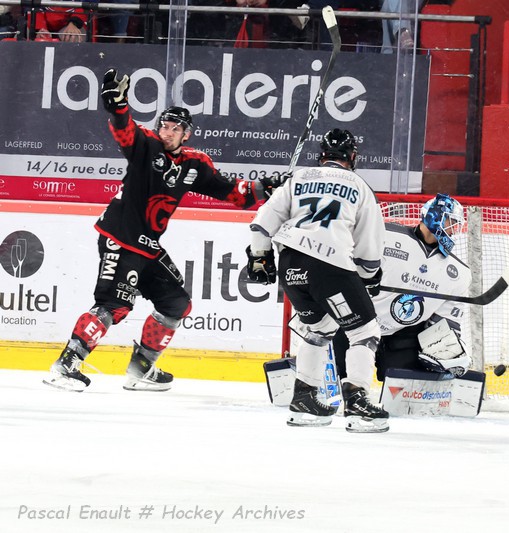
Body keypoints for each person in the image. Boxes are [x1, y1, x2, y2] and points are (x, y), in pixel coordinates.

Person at [44, 68, 282, 393]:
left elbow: (233, 193)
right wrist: (117, 106)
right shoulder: (147, 146)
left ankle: (141, 368)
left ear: (187, 134)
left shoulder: (194, 164)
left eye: (175, 128)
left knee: (176, 303)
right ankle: (66, 365)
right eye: (164, 126)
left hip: (147, 246)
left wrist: (266, 187)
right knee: (115, 305)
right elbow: (124, 130)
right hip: (120, 237)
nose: (167, 132)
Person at [247, 128, 389, 433]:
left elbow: (261, 224)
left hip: (291, 265)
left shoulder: (298, 178)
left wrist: (260, 259)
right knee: (366, 330)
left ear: (321, 155)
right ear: (352, 157)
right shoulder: (360, 186)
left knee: (320, 327)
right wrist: (368, 277)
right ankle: (358, 401)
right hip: (329, 265)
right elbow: (369, 249)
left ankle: (304, 398)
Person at [331, 193, 472, 385]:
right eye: (450, 222)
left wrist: (449, 349)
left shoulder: (459, 273)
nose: (454, 231)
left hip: (401, 335)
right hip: (354, 323)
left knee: (406, 387)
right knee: (338, 380)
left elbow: (445, 322)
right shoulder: (385, 234)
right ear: (435, 216)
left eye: (456, 225)